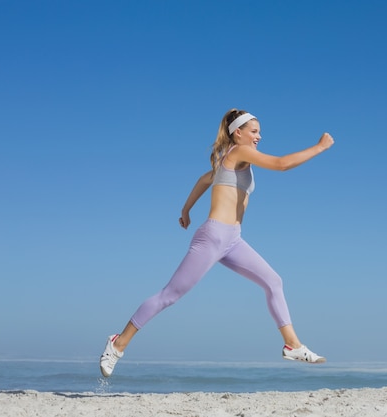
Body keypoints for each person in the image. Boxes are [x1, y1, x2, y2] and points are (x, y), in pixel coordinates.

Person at [100, 109, 334, 377]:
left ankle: (293, 345)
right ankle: (118, 343)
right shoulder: (238, 151)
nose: (259, 136)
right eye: (254, 131)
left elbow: (205, 179)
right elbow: (281, 164)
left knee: (273, 281)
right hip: (213, 237)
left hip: (233, 240)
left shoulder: (229, 160)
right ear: (238, 133)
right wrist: (319, 147)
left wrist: (186, 209)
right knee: (169, 295)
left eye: (259, 132)